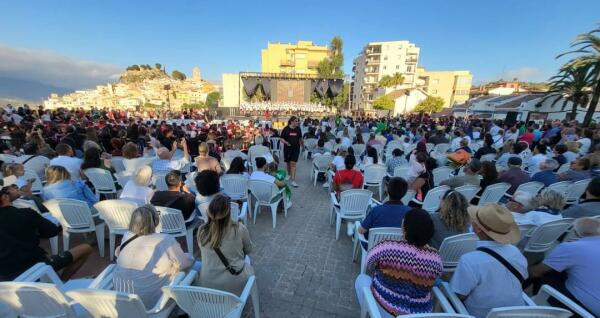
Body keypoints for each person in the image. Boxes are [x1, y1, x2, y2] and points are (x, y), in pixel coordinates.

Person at [0, 175, 93, 281]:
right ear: (5, 197)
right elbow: (52, 231)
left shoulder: (25, 213)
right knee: (86, 248)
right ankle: (61, 282)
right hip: (37, 267)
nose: (16, 187)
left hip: (6, 278)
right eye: (11, 187)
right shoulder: (26, 213)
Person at [355, 209, 443, 317]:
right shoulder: (436, 257)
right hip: (419, 315)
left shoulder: (387, 246)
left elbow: (369, 263)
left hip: (384, 309)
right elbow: (436, 277)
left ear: (405, 229)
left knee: (361, 279)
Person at [450, 204, 527, 318]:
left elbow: (459, 295)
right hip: (515, 313)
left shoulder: (469, 260)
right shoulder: (516, 252)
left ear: (477, 229)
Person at [113, 205, 192, 308]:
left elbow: (118, 254)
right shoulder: (165, 239)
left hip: (124, 298)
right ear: (155, 221)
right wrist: (191, 258)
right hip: (152, 303)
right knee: (186, 267)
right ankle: (185, 308)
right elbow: (184, 264)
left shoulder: (127, 235)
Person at [528, 217, 600, 316]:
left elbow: (535, 272)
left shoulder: (573, 247)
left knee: (545, 272)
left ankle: (532, 305)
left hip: (584, 311)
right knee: (557, 267)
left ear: (575, 233)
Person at [196, 194, 255, 295]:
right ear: (229, 213)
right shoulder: (239, 229)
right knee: (248, 262)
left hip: (207, 283)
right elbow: (249, 250)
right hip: (233, 285)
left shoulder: (201, 230)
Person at [280, 116, 302, 187]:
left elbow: (300, 138)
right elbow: (281, 139)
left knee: (293, 163)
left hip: (296, 149)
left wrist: (303, 146)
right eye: (296, 121)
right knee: (288, 163)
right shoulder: (286, 129)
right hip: (287, 149)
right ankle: (289, 174)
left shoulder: (298, 129)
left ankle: (293, 180)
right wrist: (286, 142)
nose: (297, 122)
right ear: (291, 122)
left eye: (297, 121)